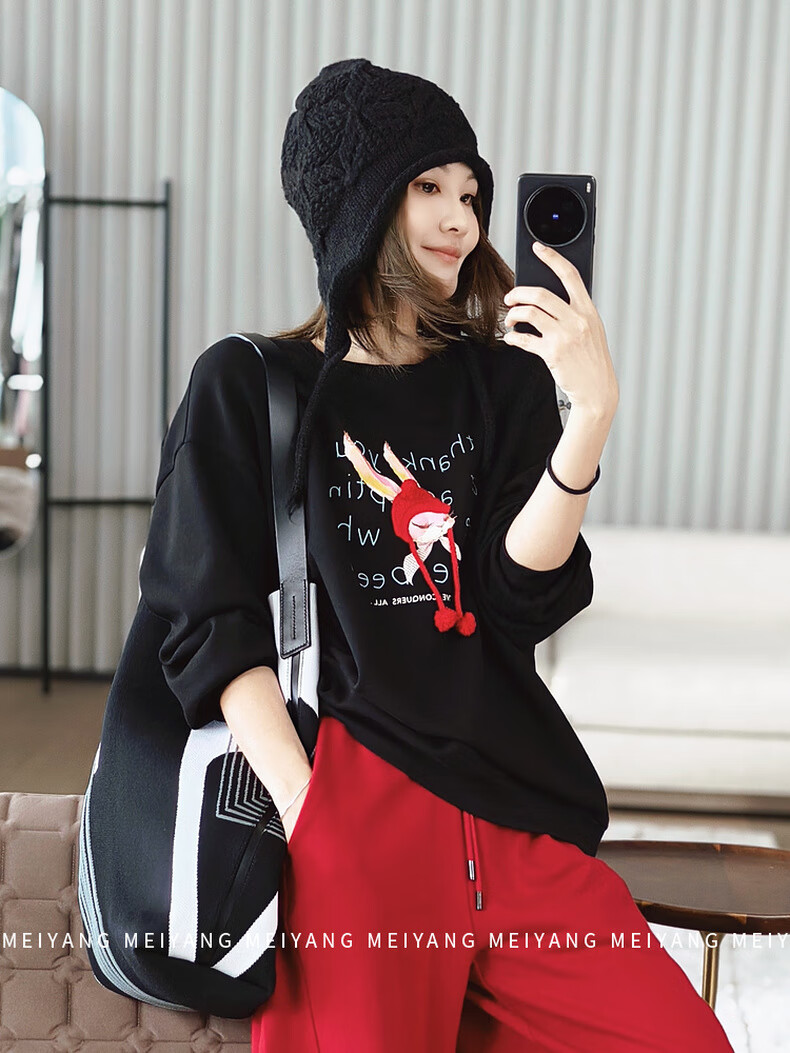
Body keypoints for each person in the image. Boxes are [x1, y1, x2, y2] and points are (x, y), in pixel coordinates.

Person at [139, 58, 734, 1052]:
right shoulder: (252, 386)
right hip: (357, 818)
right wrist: (311, 810)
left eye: (471, 192)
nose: (461, 218)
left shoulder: (502, 383)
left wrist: (588, 419)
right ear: (361, 202)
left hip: (517, 810)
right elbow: (208, 620)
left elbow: (517, 598)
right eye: (429, 187)